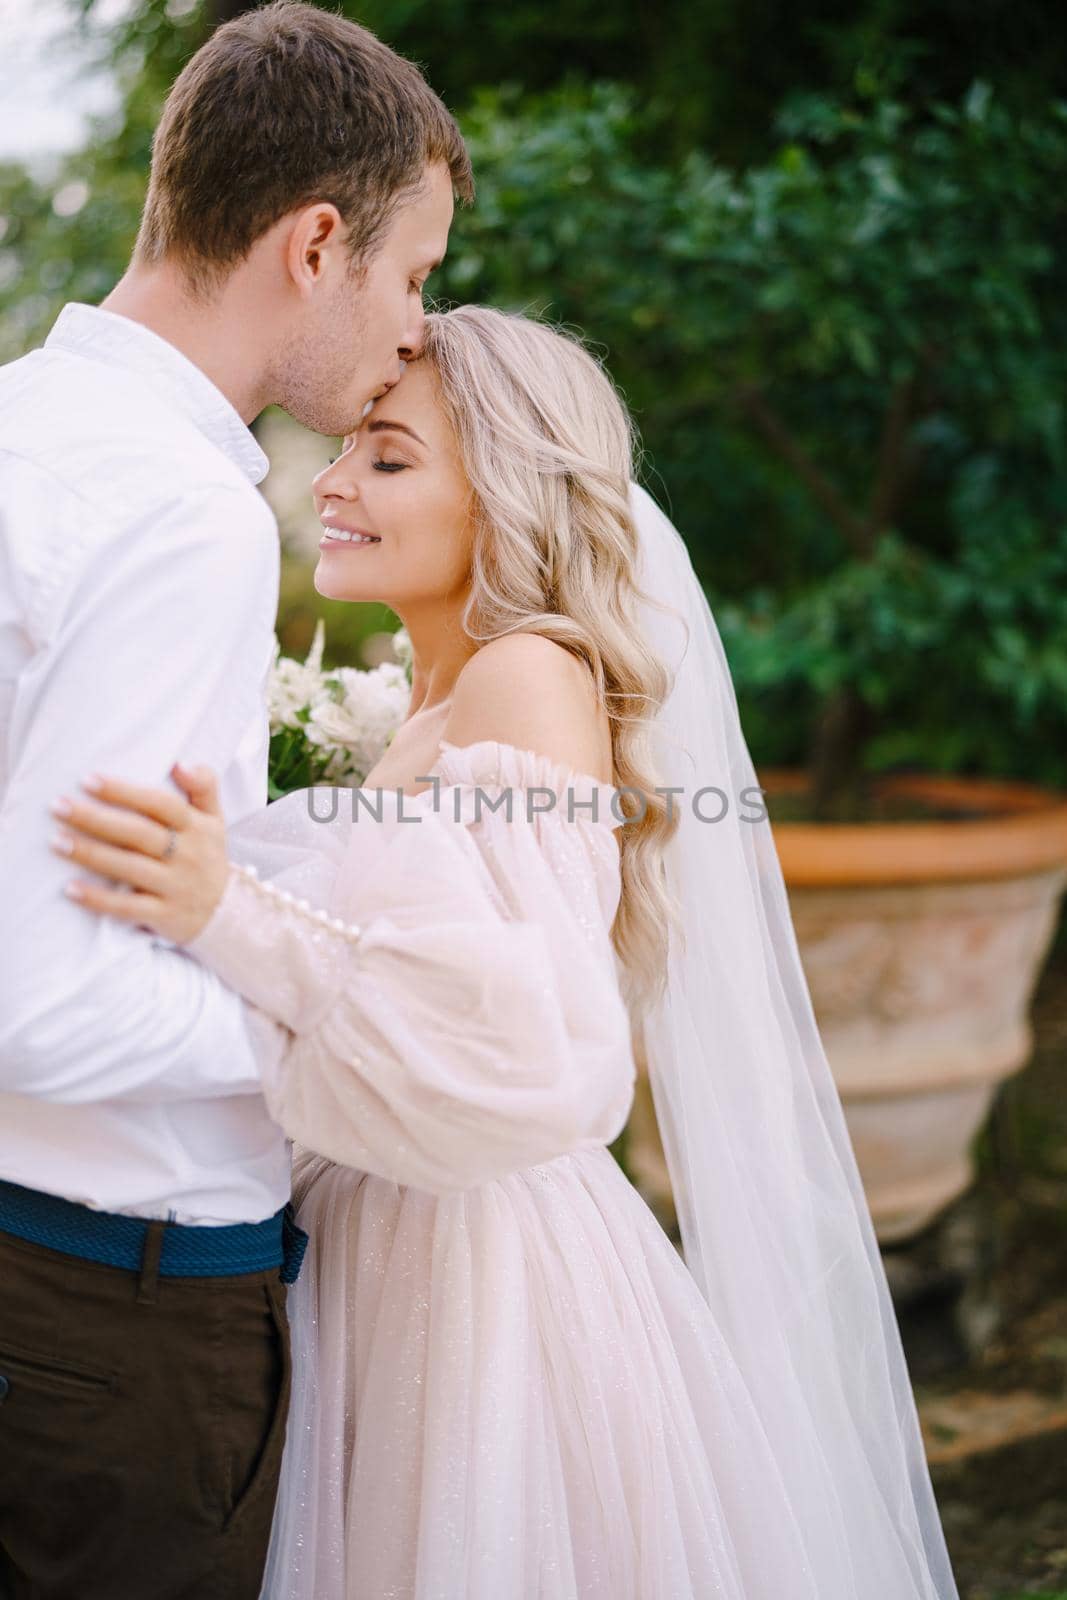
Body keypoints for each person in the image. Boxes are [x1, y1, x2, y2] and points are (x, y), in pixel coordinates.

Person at [52, 305, 962, 1600]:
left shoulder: (525, 676)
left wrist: (225, 908)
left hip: (476, 1273)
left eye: (388, 457)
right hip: (382, 1225)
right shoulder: (431, 696)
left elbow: (531, 1034)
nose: (333, 482)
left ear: (510, 491)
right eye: (348, 452)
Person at [0, 5, 471, 1595]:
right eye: (410, 277)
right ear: (317, 241)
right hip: (109, 1321)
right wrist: (345, 1027)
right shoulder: (183, 514)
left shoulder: (23, 433)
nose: (416, 329)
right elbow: (40, 999)